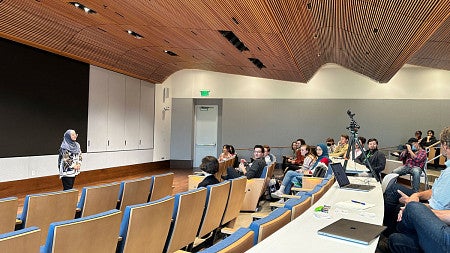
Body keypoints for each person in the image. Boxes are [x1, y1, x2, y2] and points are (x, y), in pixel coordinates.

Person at [387, 126, 450, 253]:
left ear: (444, 145)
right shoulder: (447, 168)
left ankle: (391, 230)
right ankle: (386, 231)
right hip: (436, 211)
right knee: (395, 188)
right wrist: (417, 195)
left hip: (444, 233)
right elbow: (434, 192)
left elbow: (436, 207)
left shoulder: (422, 152)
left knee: (410, 207)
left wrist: (413, 207)